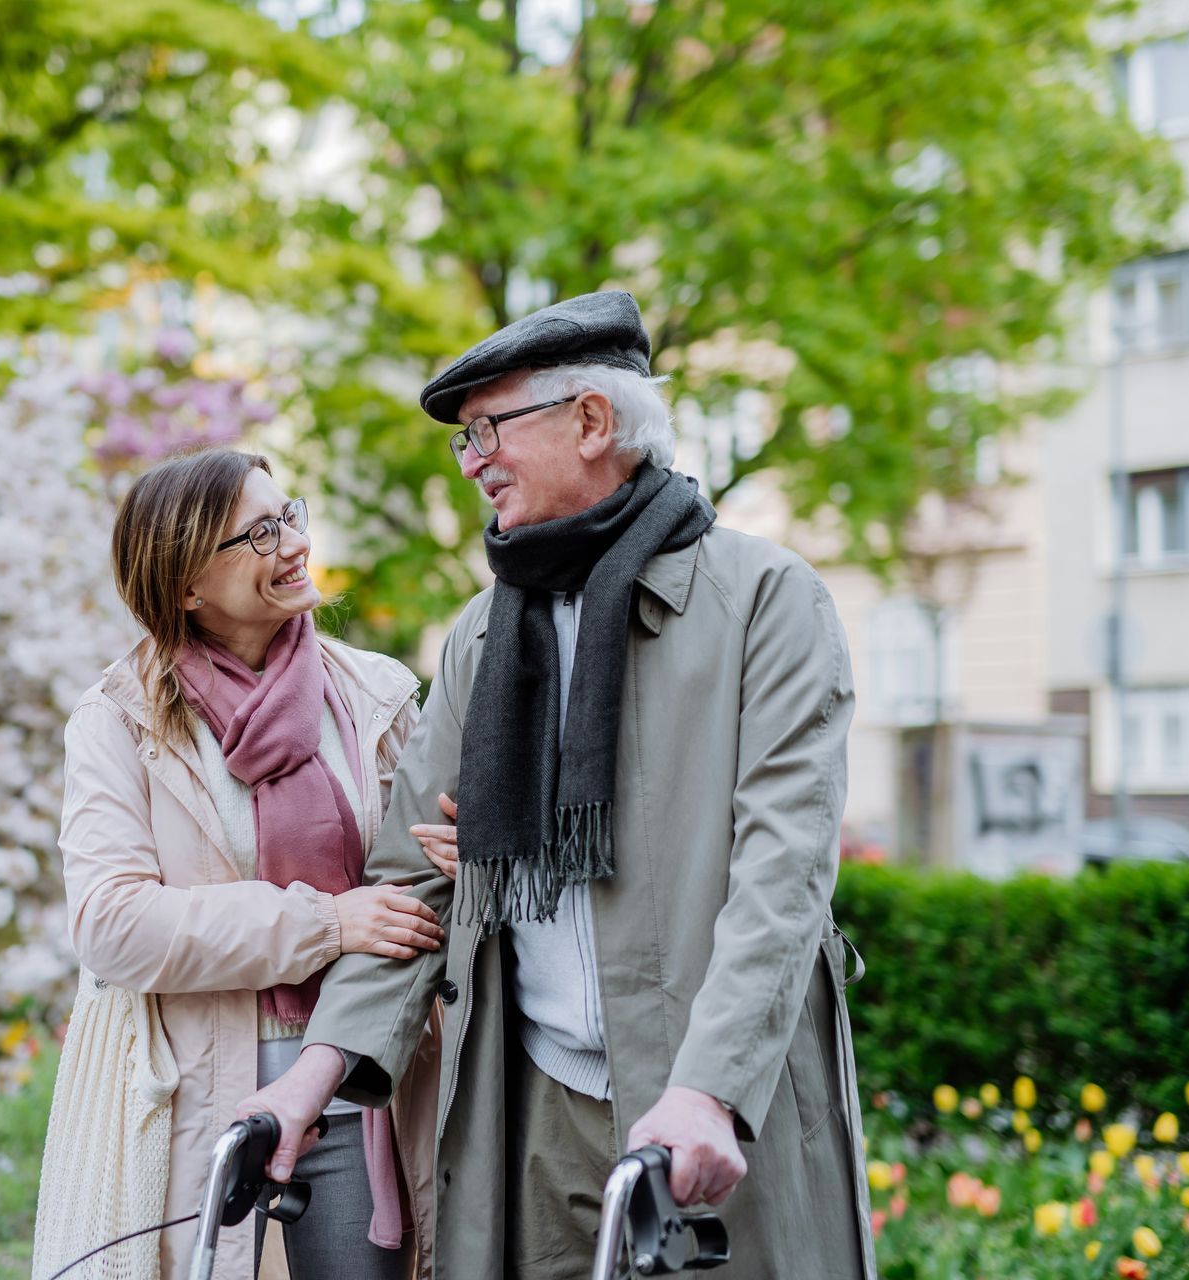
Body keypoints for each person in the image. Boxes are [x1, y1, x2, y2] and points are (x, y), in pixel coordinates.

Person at [238, 291, 876, 1279]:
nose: (472, 460)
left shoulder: (764, 599)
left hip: (711, 1108)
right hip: (533, 1109)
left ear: (590, 420)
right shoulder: (485, 634)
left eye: (489, 428)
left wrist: (706, 1090)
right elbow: (413, 879)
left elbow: (781, 876)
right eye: (462, 443)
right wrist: (308, 1082)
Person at [57, 449, 443, 1280]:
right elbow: (112, 925)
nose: (293, 543)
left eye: (289, 515)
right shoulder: (119, 721)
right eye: (259, 533)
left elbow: (418, 889)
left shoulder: (376, 697)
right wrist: (326, 924)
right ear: (186, 584)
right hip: (198, 1104)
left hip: (363, 1092)